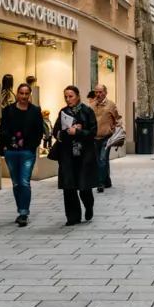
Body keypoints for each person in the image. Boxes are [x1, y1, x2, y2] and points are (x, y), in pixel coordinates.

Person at [0, 83, 45, 226]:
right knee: (16, 183)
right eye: (21, 93)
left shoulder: (35, 111)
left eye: (26, 94)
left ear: (30, 95)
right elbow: (2, 129)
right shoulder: (8, 110)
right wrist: (6, 145)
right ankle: (20, 209)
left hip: (26, 152)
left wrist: (31, 147)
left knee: (24, 181)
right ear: (17, 94)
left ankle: (24, 212)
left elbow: (38, 132)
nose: (24, 96)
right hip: (11, 151)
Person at [53, 86, 98, 224]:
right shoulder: (63, 112)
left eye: (71, 96)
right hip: (67, 154)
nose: (68, 99)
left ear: (78, 96)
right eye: (66, 97)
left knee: (84, 187)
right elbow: (56, 132)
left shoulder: (87, 111)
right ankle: (72, 217)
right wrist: (66, 132)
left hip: (84, 154)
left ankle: (89, 206)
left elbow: (93, 132)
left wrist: (78, 132)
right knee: (69, 186)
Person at [90, 84, 121, 194]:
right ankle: (107, 181)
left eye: (100, 92)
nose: (98, 94)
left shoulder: (111, 105)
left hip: (106, 138)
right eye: (96, 92)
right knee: (100, 161)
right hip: (94, 138)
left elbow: (118, 119)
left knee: (102, 160)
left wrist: (117, 132)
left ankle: (100, 183)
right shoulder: (91, 106)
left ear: (105, 93)